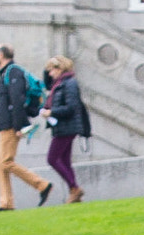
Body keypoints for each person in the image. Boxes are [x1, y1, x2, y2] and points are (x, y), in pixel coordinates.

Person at [0, 44, 52, 212]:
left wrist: (20, 125)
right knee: (0, 164)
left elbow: (17, 100)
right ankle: (6, 203)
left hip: (11, 124)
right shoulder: (5, 74)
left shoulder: (13, 72)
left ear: (2, 55)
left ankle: (41, 185)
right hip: (4, 124)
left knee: (6, 162)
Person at [41, 56, 90, 205]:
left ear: (60, 68)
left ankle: (74, 188)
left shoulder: (69, 83)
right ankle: (74, 192)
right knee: (64, 160)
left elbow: (71, 107)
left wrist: (52, 112)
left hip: (67, 127)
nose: (50, 73)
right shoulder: (59, 83)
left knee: (52, 158)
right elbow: (46, 83)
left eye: (52, 69)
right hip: (62, 126)